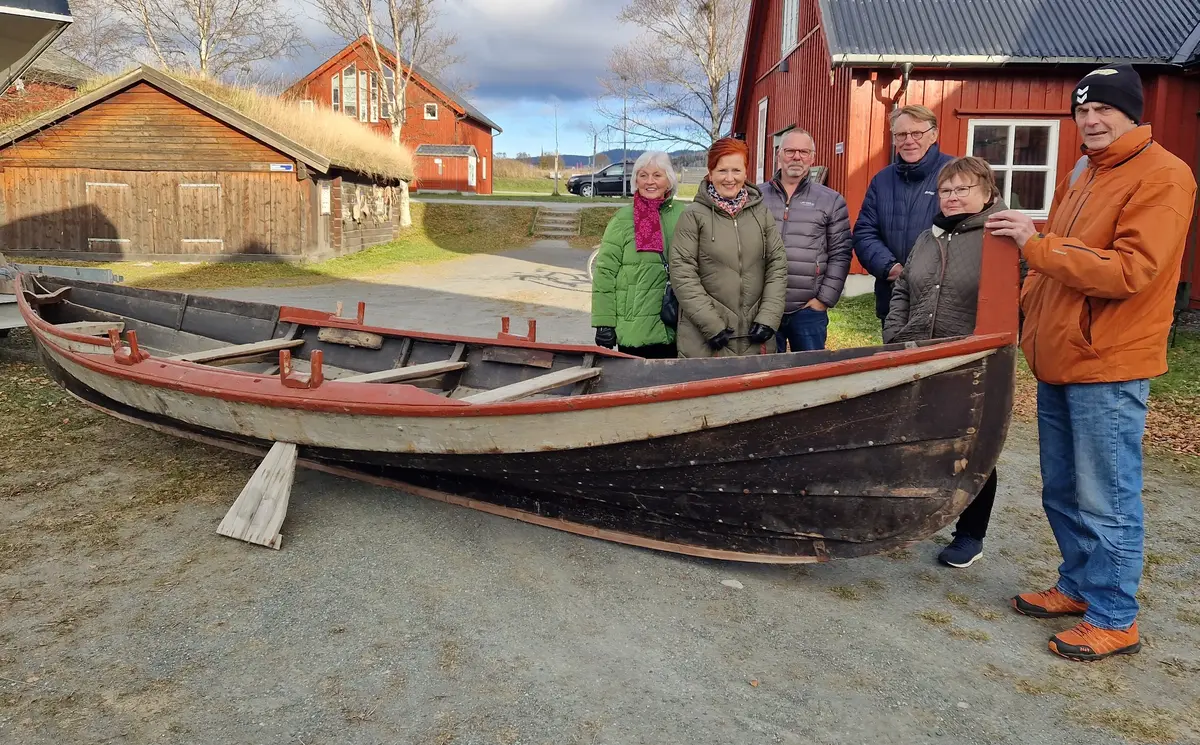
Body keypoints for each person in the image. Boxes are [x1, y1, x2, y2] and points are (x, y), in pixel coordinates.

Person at [987, 64, 1197, 661]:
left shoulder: (1164, 175)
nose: (1091, 120)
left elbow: (1131, 270)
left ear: (1131, 112)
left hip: (1109, 360)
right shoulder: (1083, 171)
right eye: (1082, 110)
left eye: (1103, 109)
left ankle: (1114, 616)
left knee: (1107, 495)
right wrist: (1030, 300)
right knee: (1062, 488)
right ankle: (1078, 585)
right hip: (1059, 354)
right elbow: (1058, 253)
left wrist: (1035, 245)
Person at [883, 156, 1007, 568]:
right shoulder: (928, 237)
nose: (952, 197)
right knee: (914, 439)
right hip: (917, 354)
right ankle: (909, 518)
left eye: (962, 189)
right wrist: (895, 335)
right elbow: (904, 288)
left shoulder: (1001, 237)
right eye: (946, 190)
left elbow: (1019, 296)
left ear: (987, 193)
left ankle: (970, 535)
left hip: (973, 360)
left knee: (973, 445)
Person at [669, 137, 787, 358]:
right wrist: (711, 324)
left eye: (736, 170)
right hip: (706, 339)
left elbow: (777, 266)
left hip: (755, 336)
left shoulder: (761, 214)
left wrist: (769, 318)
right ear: (710, 173)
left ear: (745, 172)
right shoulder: (693, 215)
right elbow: (682, 273)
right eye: (722, 170)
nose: (730, 178)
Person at [853, 105, 955, 328]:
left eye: (917, 133)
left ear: (933, 135)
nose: (909, 141)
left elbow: (973, 229)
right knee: (895, 349)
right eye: (901, 134)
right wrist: (892, 269)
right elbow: (864, 233)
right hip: (894, 297)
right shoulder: (882, 181)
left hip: (945, 299)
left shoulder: (956, 174)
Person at [759, 129, 852, 352]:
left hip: (808, 311)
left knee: (811, 370)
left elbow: (841, 253)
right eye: (790, 151)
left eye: (804, 152)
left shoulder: (830, 200)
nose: (797, 157)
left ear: (812, 157)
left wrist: (824, 300)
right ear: (779, 155)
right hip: (763, 307)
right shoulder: (756, 197)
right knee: (766, 370)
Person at [591, 151, 687, 358]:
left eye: (657, 175)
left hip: (676, 324)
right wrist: (604, 322)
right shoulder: (622, 220)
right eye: (643, 175)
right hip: (634, 325)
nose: (649, 181)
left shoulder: (685, 215)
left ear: (669, 180)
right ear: (636, 180)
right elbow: (605, 273)